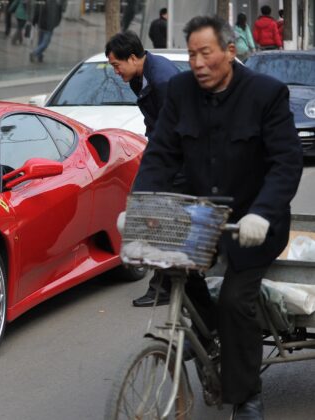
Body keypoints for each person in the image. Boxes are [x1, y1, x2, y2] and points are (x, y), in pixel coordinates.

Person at [127, 15, 302, 418]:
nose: (198, 63)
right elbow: (161, 154)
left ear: (229, 50)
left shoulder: (266, 93)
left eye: (206, 53)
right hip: (199, 219)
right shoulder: (180, 92)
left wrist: (263, 213)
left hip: (253, 224)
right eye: (191, 55)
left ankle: (245, 396)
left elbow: (286, 163)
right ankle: (212, 337)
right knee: (173, 279)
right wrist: (138, 205)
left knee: (237, 302)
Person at [106, 31, 179, 307]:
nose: (116, 72)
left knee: (151, 214)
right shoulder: (141, 75)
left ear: (134, 57)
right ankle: (168, 282)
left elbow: (177, 125)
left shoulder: (162, 79)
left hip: (174, 157)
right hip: (164, 152)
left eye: (117, 65)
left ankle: (166, 285)